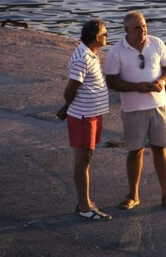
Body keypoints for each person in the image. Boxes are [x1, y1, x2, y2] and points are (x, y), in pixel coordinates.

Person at [105, 11, 166, 211]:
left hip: (158, 106)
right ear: (126, 30)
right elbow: (111, 81)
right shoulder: (115, 51)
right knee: (135, 151)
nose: (143, 31)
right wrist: (136, 87)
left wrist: (161, 82)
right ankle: (133, 195)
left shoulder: (156, 43)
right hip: (133, 109)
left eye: (145, 26)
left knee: (160, 149)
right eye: (138, 28)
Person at [57, 19, 112, 221]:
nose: (107, 37)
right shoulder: (83, 58)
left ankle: (85, 202)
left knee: (86, 159)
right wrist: (67, 106)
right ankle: (84, 206)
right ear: (97, 38)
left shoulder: (90, 55)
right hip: (83, 116)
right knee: (83, 160)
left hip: (92, 113)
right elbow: (70, 89)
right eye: (105, 34)